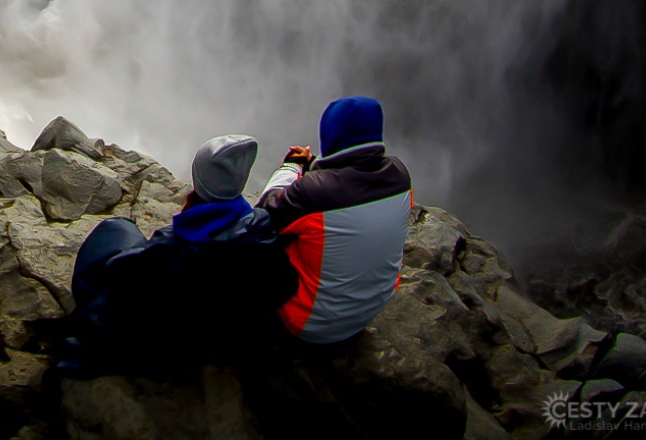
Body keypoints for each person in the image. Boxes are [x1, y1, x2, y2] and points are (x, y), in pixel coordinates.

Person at [60, 135, 296, 375]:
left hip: (169, 346)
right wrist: (291, 168)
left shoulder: (169, 250)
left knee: (116, 229)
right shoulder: (262, 234)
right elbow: (283, 288)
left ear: (199, 182)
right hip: (223, 340)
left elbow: (120, 284)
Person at [256, 96, 413, 345]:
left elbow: (262, 217)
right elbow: (346, 184)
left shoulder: (312, 193)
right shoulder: (400, 175)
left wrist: (292, 167)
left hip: (312, 322)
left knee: (254, 247)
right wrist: (315, 168)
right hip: (371, 308)